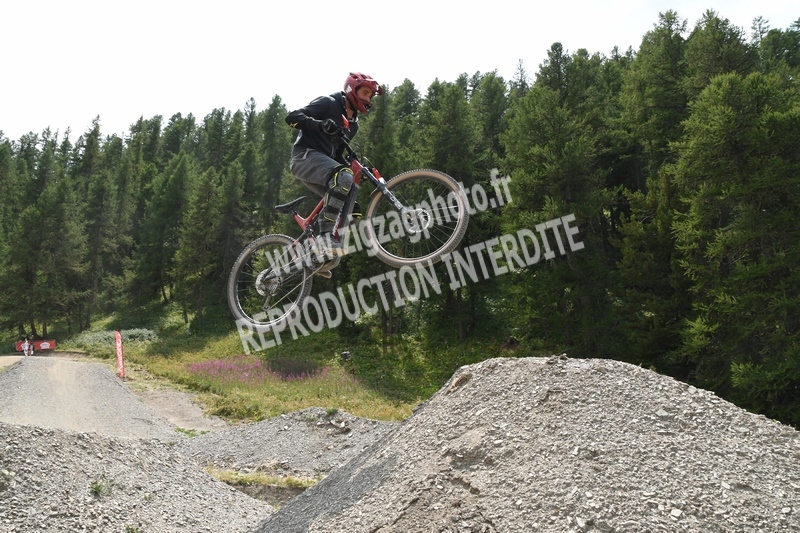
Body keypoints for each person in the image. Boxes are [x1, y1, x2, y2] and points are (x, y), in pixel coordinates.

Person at [285, 72, 383, 274]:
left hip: (322, 165)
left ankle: (314, 257)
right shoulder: (328, 103)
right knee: (343, 175)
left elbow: (336, 155)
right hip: (304, 157)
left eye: (370, 95)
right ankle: (324, 236)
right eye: (365, 93)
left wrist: (355, 169)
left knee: (352, 207)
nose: (368, 99)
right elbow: (292, 118)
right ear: (351, 89)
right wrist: (320, 125)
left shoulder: (353, 125)